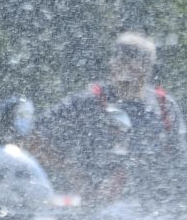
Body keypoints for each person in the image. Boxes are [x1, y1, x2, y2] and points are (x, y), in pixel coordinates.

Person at [27, 31, 181, 207]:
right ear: (112, 63)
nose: (125, 69)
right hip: (97, 213)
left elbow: (180, 161)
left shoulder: (164, 106)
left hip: (158, 215)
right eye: (120, 60)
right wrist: (71, 171)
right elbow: (30, 136)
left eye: (133, 63)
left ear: (148, 67)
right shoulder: (88, 102)